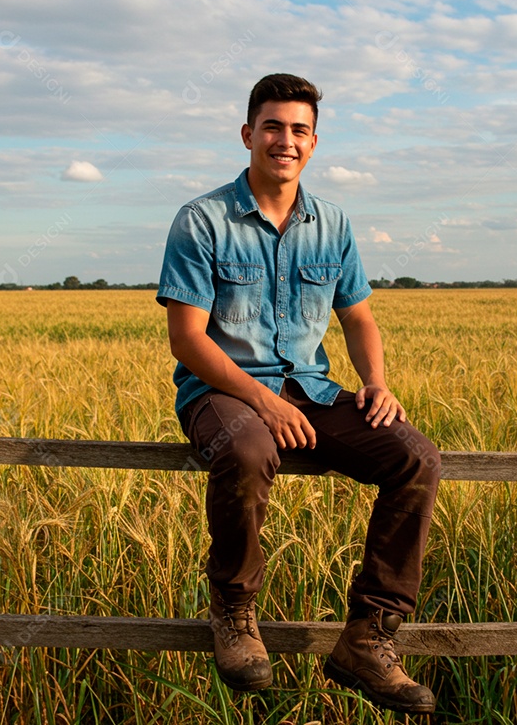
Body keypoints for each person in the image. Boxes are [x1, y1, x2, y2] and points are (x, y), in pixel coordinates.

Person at [156, 73, 440, 715]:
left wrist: (376, 384)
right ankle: (233, 612)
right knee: (249, 449)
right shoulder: (202, 219)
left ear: (314, 142)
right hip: (221, 390)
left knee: (415, 457)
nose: (286, 140)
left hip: (311, 388)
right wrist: (263, 400)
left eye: (300, 130)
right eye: (274, 127)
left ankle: (369, 639)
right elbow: (188, 341)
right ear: (248, 134)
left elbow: (358, 316)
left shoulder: (332, 222)